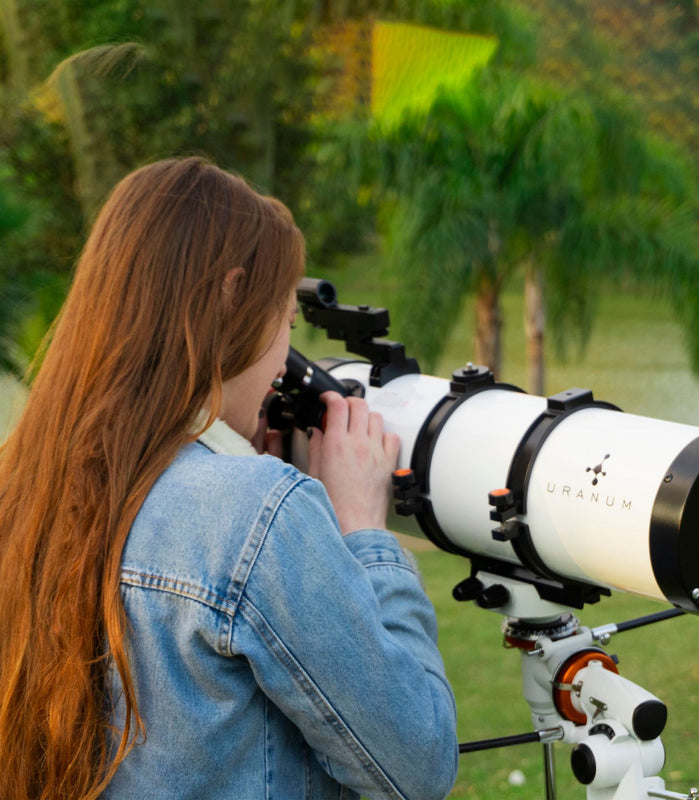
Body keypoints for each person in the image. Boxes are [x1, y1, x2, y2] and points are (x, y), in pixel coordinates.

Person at [0, 157, 458, 799]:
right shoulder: (255, 513)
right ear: (231, 294)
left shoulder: (26, 479)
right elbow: (418, 764)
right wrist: (362, 531)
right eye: (285, 324)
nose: (284, 360)